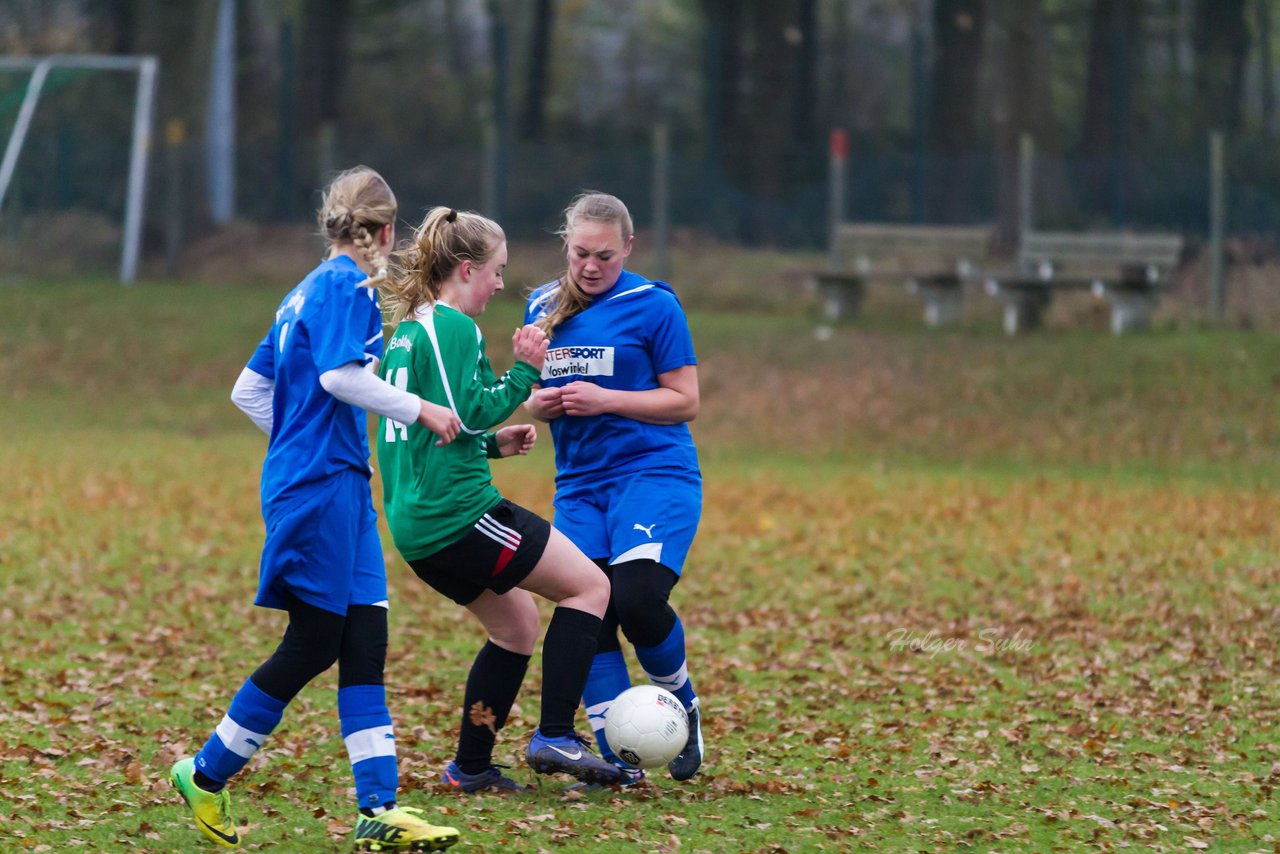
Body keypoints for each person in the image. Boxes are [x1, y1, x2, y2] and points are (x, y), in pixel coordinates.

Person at [170, 166, 464, 850]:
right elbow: (338, 377)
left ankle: (378, 810)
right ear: (386, 232)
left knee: (364, 641)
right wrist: (421, 409)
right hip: (321, 485)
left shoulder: (300, 292)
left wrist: (299, 435)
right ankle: (206, 774)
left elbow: (249, 391)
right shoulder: (348, 285)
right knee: (312, 643)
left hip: (339, 483)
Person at [375, 206, 625, 794]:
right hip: (458, 516)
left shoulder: (411, 330)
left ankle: (472, 767)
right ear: (466, 269)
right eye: (496, 271)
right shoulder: (451, 328)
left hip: (418, 524)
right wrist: (524, 373)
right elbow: (470, 407)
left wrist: (490, 443)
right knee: (591, 587)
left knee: (516, 625)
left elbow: (435, 427)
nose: (500, 283)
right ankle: (557, 734)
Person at [523, 191, 705, 784]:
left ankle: (683, 705)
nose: (591, 266)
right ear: (566, 246)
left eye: (605, 255)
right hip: (579, 486)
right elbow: (527, 397)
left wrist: (607, 400)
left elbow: (685, 400)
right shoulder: (541, 305)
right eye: (580, 253)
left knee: (635, 597)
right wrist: (539, 404)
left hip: (654, 474)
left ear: (628, 247)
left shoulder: (655, 306)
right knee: (589, 608)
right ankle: (617, 753)